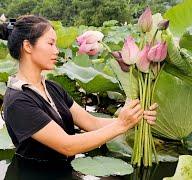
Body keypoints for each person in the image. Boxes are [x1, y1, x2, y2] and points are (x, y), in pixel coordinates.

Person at [1, 15, 158, 170]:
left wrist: (136, 119)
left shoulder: (53, 88)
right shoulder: (18, 101)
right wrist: (121, 124)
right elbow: (67, 146)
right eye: (50, 44)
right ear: (28, 46)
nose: (56, 51)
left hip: (65, 171)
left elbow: (92, 123)